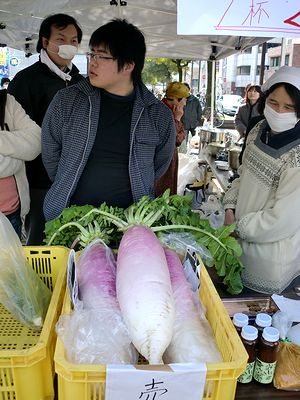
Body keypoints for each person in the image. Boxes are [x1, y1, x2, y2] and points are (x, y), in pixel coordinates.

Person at [41, 18, 176, 222]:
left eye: (101, 56)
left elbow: (159, 165)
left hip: (132, 226)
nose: (92, 61)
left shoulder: (157, 115)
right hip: (70, 220)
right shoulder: (67, 101)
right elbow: (51, 153)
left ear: (128, 65)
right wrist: (65, 179)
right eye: (91, 54)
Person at [223, 66, 300, 295]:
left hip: (269, 264)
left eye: (289, 107)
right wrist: (229, 207)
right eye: (274, 103)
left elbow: (283, 219)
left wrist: (239, 228)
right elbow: (243, 174)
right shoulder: (257, 130)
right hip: (236, 246)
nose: (279, 111)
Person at [8, 13, 84, 245]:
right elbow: (17, 133)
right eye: (61, 39)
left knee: (71, 237)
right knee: (40, 239)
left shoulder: (80, 82)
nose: (68, 46)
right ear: (45, 42)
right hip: (38, 178)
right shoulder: (26, 80)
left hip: (74, 175)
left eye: (73, 41)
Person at [0, 89, 40, 238]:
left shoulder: (7, 102)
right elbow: (22, 153)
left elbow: (36, 141)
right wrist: (16, 154)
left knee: (12, 261)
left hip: (12, 214)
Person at [155, 82, 188, 196]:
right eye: (184, 99)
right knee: (163, 193)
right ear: (176, 99)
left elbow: (181, 134)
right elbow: (176, 139)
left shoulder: (166, 108)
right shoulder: (164, 112)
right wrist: (178, 118)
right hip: (163, 160)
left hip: (168, 158)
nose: (185, 102)